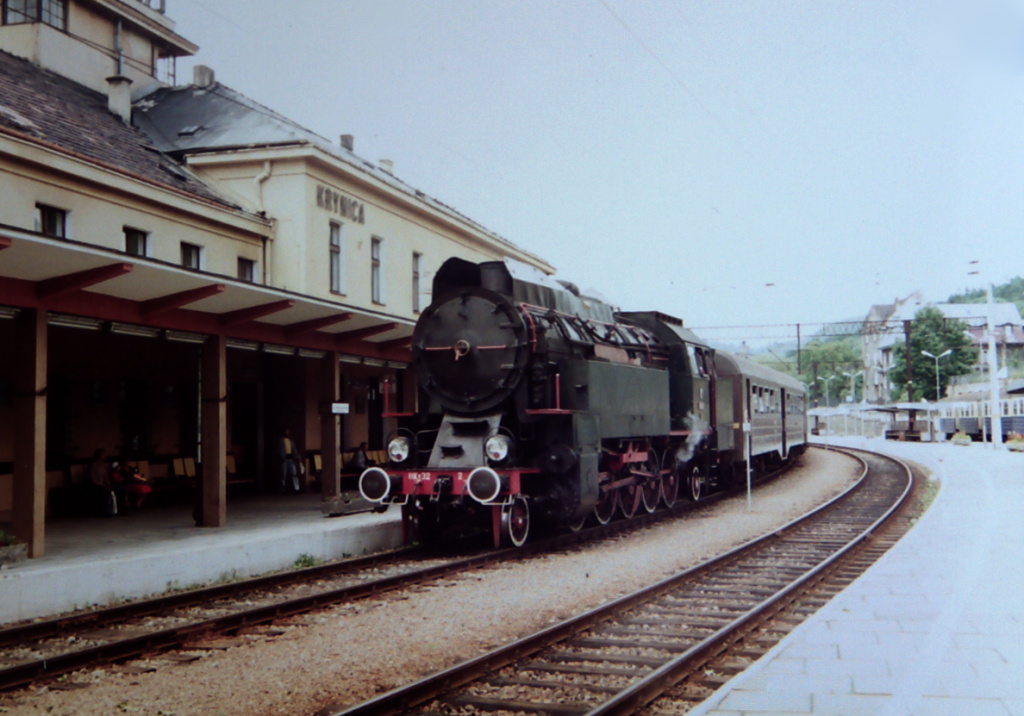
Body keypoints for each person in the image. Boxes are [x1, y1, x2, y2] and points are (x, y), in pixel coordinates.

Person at [88, 448, 118, 516]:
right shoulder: (93, 466)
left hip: (102, 485)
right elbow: (92, 479)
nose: (105, 456)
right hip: (95, 485)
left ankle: (117, 510)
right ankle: (106, 511)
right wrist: (102, 485)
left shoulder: (103, 465)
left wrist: (109, 485)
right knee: (105, 491)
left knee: (119, 489)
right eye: (103, 455)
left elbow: (106, 477)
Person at [277, 427, 303, 493]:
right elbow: (280, 450)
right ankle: (282, 489)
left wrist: (297, 456)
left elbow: (294, 450)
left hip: (290, 459)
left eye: (288, 431)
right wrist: (282, 457)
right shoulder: (281, 441)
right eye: (286, 431)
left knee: (294, 473)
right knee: (283, 475)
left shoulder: (291, 441)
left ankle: (297, 488)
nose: (287, 433)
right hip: (284, 459)